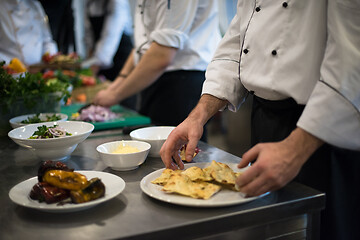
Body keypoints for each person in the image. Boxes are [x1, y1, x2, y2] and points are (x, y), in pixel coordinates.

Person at [160, 1, 360, 240]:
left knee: (323, 229)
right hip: (265, 120)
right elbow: (237, 45)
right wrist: (198, 115)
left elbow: (353, 59)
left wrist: (295, 148)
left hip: (324, 130)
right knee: (273, 229)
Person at [93, 0, 221, 137]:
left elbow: (162, 54)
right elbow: (143, 46)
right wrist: (117, 83)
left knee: (179, 153)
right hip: (155, 77)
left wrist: (115, 95)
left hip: (181, 83)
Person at [0, 0, 58, 66]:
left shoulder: (35, 5)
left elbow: (47, 41)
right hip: (8, 72)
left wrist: (51, 55)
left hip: (38, 71)